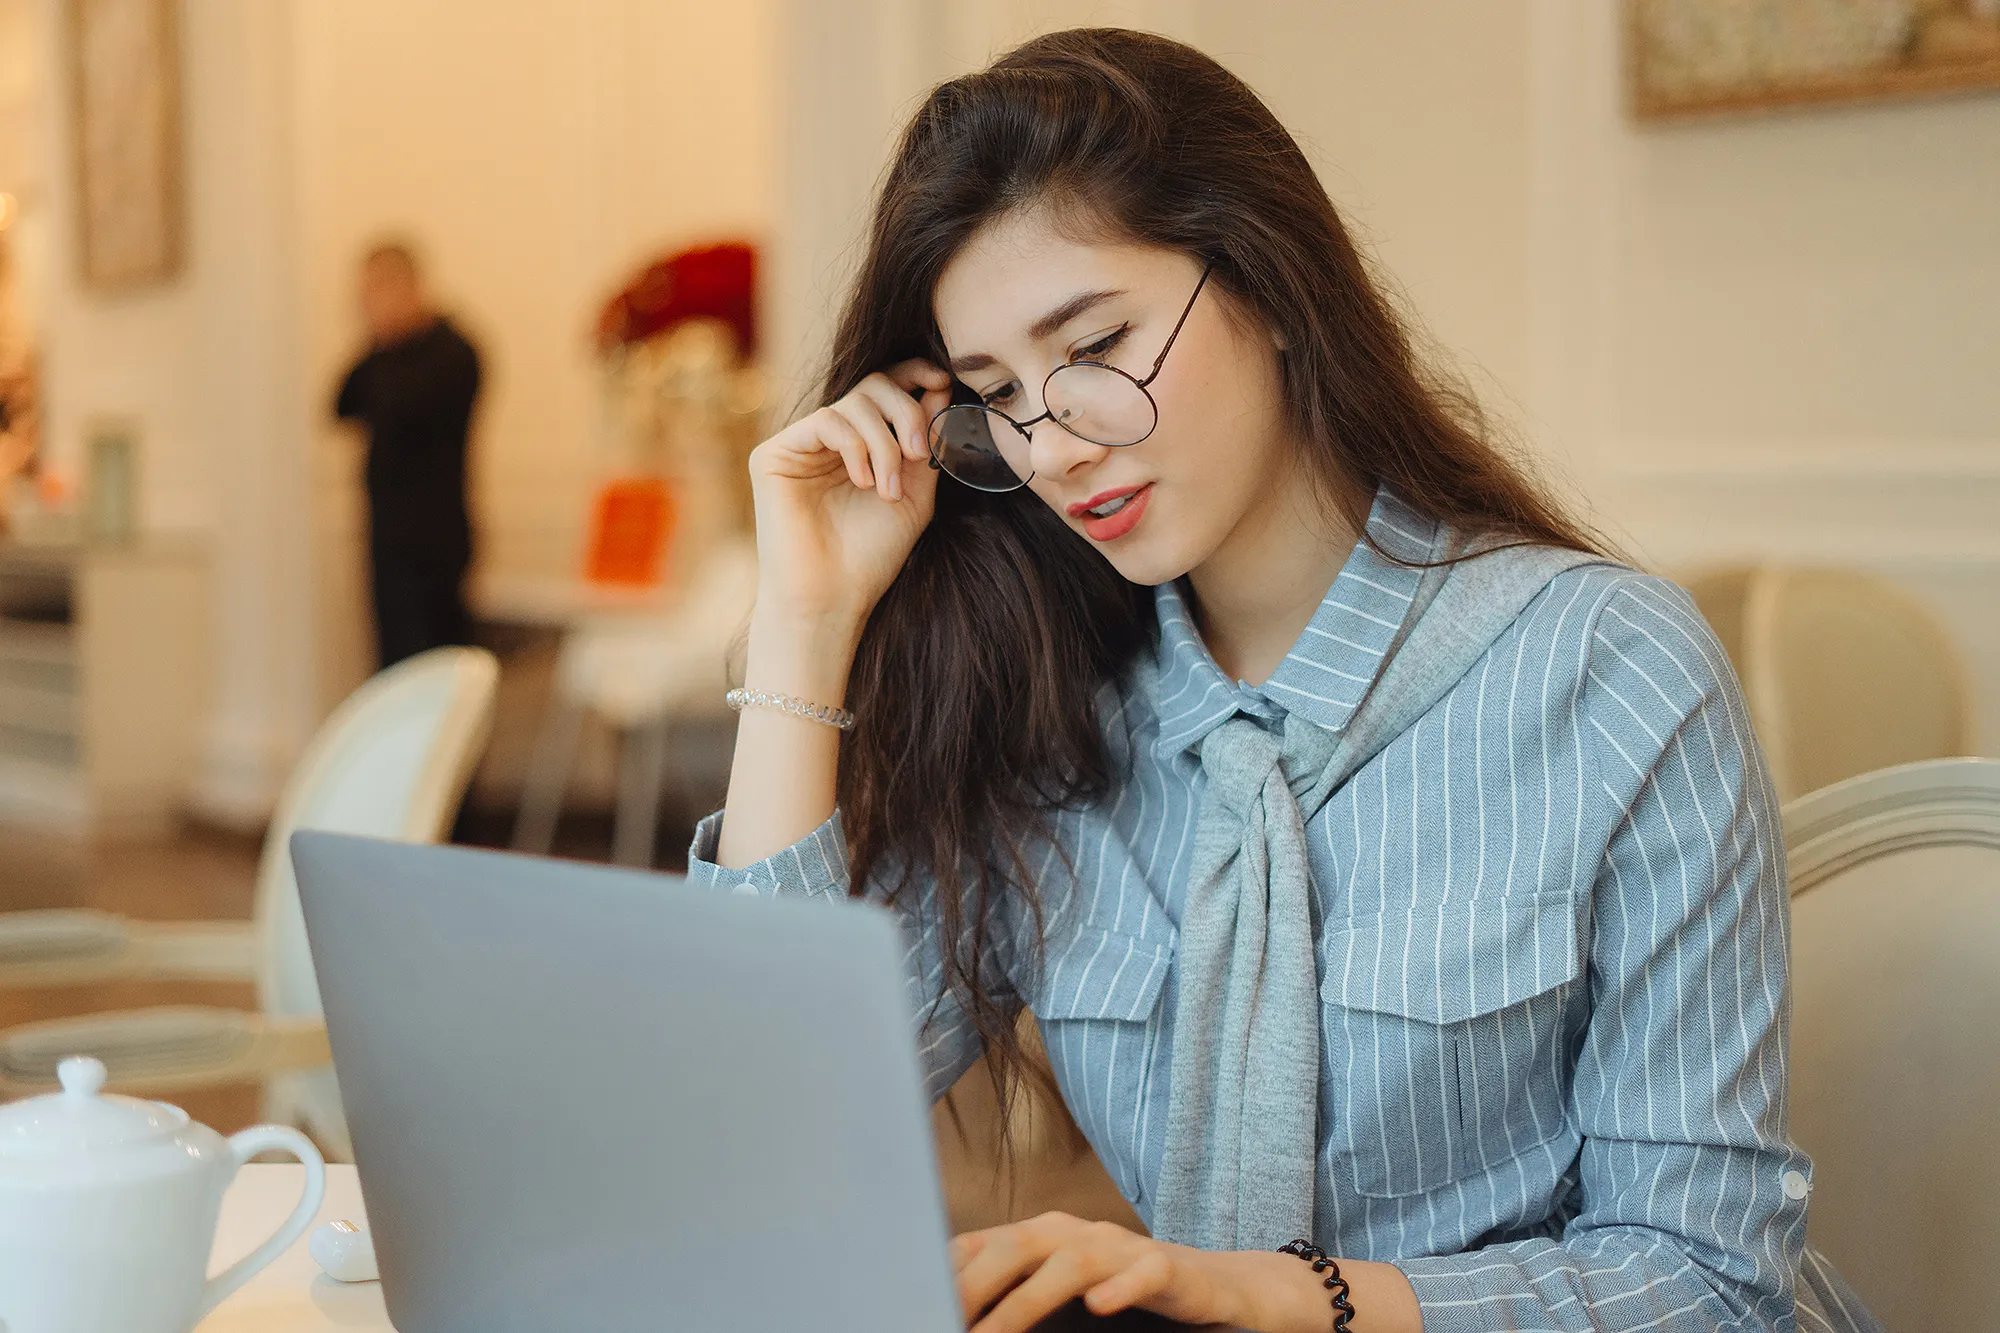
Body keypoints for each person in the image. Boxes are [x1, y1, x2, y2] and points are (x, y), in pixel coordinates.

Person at [694, 29, 1879, 1333]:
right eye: (997, 396)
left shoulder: (1606, 672)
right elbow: (763, 1110)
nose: (1054, 443)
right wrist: (807, 617)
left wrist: (1284, 1298)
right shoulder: (1051, 707)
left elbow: (1710, 1286)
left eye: (1095, 344)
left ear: (1264, 279)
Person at [334, 241, 482, 668]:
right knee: (391, 666)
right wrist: (374, 343)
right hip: (386, 537)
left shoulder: (453, 352)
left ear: (410, 285)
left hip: (436, 540)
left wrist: (388, 343)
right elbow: (340, 404)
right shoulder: (381, 356)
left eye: (376, 291)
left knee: (435, 667)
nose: (368, 305)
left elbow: (398, 406)